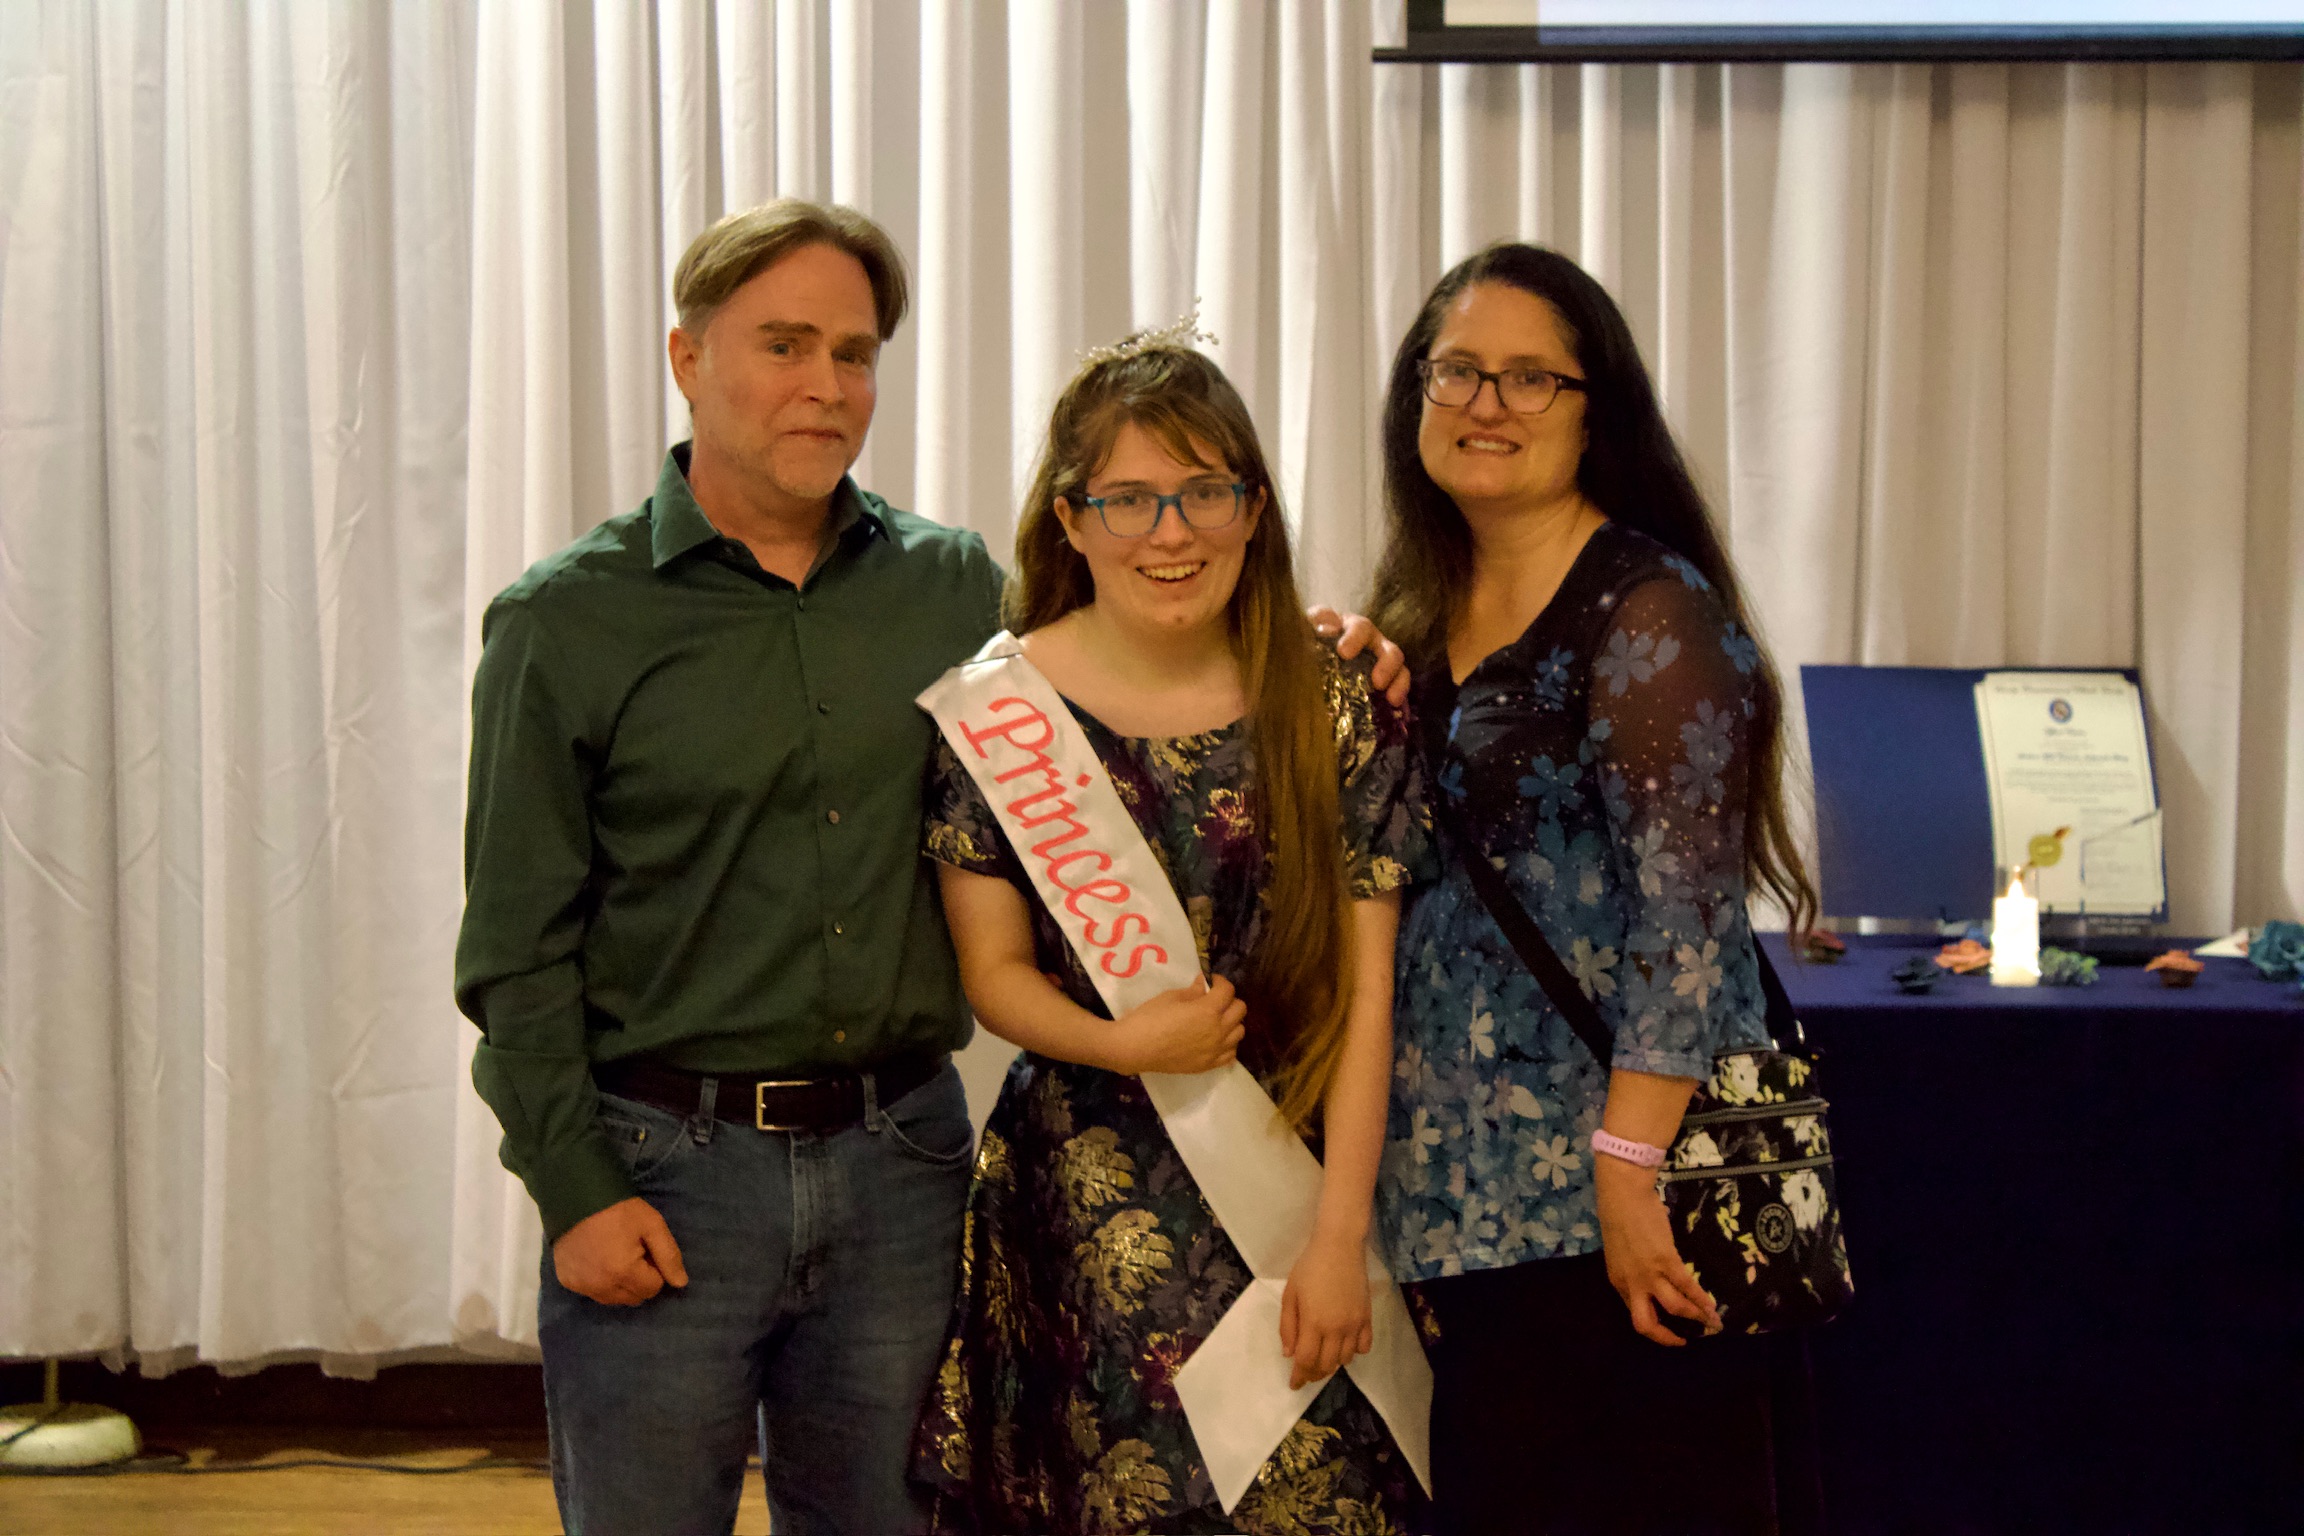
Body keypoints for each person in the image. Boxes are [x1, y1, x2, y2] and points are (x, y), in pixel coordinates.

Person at [455, 199, 1406, 1536]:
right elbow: (513, 953)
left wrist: (1330, 638)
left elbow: (1143, 638)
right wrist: (574, 1189)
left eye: (853, 354)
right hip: (669, 1169)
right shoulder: (568, 620)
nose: (826, 386)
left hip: (901, 1171)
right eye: (784, 345)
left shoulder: (952, 593)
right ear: (686, 357)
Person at [910, 328, 1434, 1535]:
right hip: (1085, 1210)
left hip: (1308, 1184)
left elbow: (1369, 995)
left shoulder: (1337, 697)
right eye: (1132, 499)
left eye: (1206, 492)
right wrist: (1124, 1043)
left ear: (1253, 509)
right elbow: (990, 974)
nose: (1172, 531)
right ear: (1071, 517)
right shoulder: (997, 712)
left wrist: (1342, 1234)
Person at [1369, 243, 1823, 1536]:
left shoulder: (1647, 614)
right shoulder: (1414, 612)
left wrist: (1629, 1171)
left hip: (1616, 1214)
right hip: (1461, 1213)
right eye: (1457, 372)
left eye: (1530, 378)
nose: (1486, 404)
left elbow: (1688, 926)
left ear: (1594, 410)